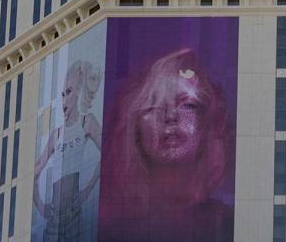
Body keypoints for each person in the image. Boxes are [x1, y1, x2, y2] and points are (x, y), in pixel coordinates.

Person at [98, 48, 234, 242]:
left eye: (187, 105)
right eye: (154, 106)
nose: (170, 116)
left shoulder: (227, 223)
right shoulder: (106, 225)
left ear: (208, 123)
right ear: (134, 127)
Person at [33, 60, 102, 242]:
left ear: (79, 91)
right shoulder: (56, 134)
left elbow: (108, 152)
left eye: (69, 92)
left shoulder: (86, 122)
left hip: (74, 214)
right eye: (62, 94)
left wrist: (87, 190)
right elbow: (35, 171)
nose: (64, 100)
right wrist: (41, 207)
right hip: (54, 220)